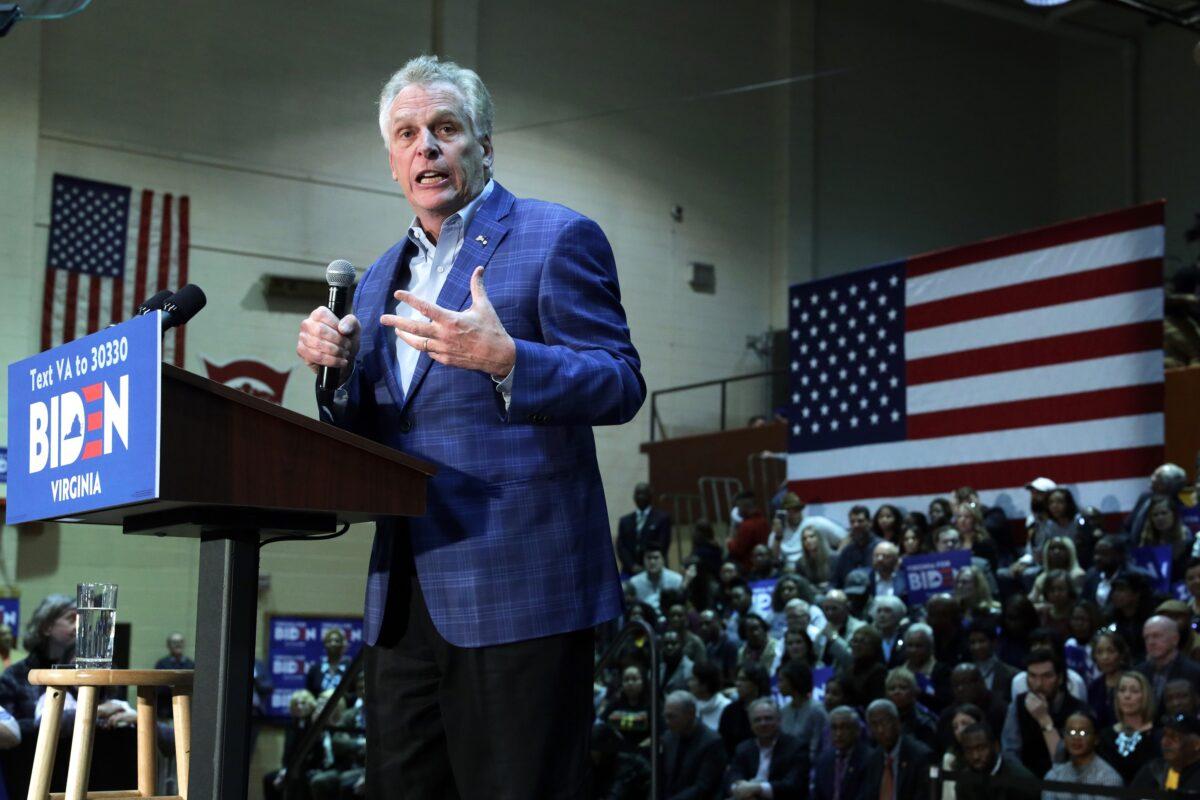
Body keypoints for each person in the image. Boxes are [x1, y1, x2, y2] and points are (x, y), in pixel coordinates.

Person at [295, 55, 644, 797]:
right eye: (408, 133)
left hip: (522, 591)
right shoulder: (376, 275)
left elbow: (620, 382)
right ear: (392, 161)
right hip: (405, 600)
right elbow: (379, 428)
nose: (427, 146)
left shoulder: (555, 238)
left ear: (485, 144)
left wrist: (510, 359)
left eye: (446, 129)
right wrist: (339, 374)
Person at [1000, 647, 1088, 780]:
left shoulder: (1078, 711)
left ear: (1060, 678)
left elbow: (1066, 762)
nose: (1038, 684)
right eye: (1032, 676)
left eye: (1047, 676)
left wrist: (1044, 719)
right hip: (1027, 783)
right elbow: (1010, 752)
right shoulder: (1018, 704)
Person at [724, 699, 809, 800]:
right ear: (751, 725)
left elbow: (792, 785)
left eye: (768, 718)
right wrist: (740, 789)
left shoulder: (796, 747)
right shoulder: (743, 747)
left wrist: (757, 788)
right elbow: (733, 775)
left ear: (779, 721)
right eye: (757, 720)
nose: (763, 723)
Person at [1096, 670, 1161, 784]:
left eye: (1134, 691)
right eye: (1122, 690)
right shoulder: (1105, 736)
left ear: (1145, 696)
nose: (1127, 696)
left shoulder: (1158, 736)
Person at [1042, 710, 1122, 800]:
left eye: (1083, 733)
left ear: (1096, 739)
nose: (1076, 738)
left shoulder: (1109, 779)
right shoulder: (1054, 776)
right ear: (1063, 737)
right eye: (1071, 732)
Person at [861, 698, 932, 800]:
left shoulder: (920, 756)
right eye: (874, 725)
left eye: (884, 723)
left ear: (897, 722)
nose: (880, 730)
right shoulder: (873, 759)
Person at [660, 690, 726, 800]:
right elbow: (661, 778)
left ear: (690, 713)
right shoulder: (668, 738)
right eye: (665, 716)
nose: (667, 722)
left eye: (672, 717)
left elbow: (703, 787)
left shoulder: (712, 742)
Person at [955, 722, 1039, 800]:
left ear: (996, 747)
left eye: (981, 748)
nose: (975, 756)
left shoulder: (1022, 781)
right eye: (969, 750)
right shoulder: (964, 782)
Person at [1135, 614, 1200, 708]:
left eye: (1156, 636)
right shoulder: (1138, 672)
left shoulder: (1194, 672)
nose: (1151, 642)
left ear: (1175, 639)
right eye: (1146, 637)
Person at [812, 706, 871, 800]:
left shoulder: (869, 759)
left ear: (857, 731)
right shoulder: (824, 760)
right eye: (834, 728)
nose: (838, 734)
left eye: (844, 728)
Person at [1130, 712, 1200, 791]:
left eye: (1175, 737)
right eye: (1165, 735)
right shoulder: (1152, 770)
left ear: (1196, 744)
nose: (1165, 742)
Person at [777, 659, 828, 763]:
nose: (778, 685)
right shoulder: (783, 710)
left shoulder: (817, 711)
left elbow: (818, 748)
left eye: (781, 680)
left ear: (793, 681)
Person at [615, 483, 671, 575]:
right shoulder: (624, 521)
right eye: (638, 494)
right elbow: (621, 547)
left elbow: (663, 544)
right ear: (634, 497)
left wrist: (647, 566)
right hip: (629, 570)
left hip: (654, 569)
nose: (640, 497)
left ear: (650, 496)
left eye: (643, 494)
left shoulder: (662, 519)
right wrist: (632, 566)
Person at [719, 665, 771, 757]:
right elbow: (723, 744)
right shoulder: (730, 711)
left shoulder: (770, 711)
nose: (738, 684)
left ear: (756, 683)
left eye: (743, 680)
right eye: (737, 679)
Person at [886, 667, 938, 751]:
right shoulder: (884, 718)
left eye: (903, 688)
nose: (897, 692)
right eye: (892, 688)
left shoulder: (925, 721)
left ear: (914, 691)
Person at [1086, 630, 1130, 729]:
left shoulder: (1133, 682)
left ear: (1121, 654)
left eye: (1111, 651)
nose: (1105, 657)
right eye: (1099, 652)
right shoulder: (1094, 688)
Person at [833, 506, 880, 588]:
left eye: (860, 521)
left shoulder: (881, 547)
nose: (856, 525)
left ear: (870, 522)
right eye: (852, 522)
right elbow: (835, 582)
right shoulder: (847, 551)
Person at [629, 545, 683, 612]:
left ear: (663, 559)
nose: (652, 562)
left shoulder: (676, 580)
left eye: (656, 558)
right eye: (649, 558)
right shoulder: (634, 583)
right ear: (643, 560)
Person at [728, 492, 772, 572]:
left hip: (749, 569)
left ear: (744, 506)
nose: (738, 511)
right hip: (764, 566)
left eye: (739, 507)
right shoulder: (764, 522)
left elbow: (737, 550)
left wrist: (730, 542)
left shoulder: (746, 526)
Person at [154, 632, 195, 719]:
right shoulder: (161, 664)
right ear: (168, 645)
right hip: (165, 710)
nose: (178, 644)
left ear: (184, 644)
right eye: (174, 642)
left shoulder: (191, 664)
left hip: (186, 708)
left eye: (180, 641)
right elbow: (158, 687)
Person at [305, 627, 351, 697]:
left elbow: (356, 694)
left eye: (337, 641)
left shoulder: (350, 669)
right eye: (329, 641)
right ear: (325, 645)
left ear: (343, 645)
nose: (333, 643)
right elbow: (309, 695)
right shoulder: (315, 670)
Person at [686, 661, 730, 732]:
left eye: (693, 679)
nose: (689, 683)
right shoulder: (688, 704)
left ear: (704, 685)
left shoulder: (727, 708)